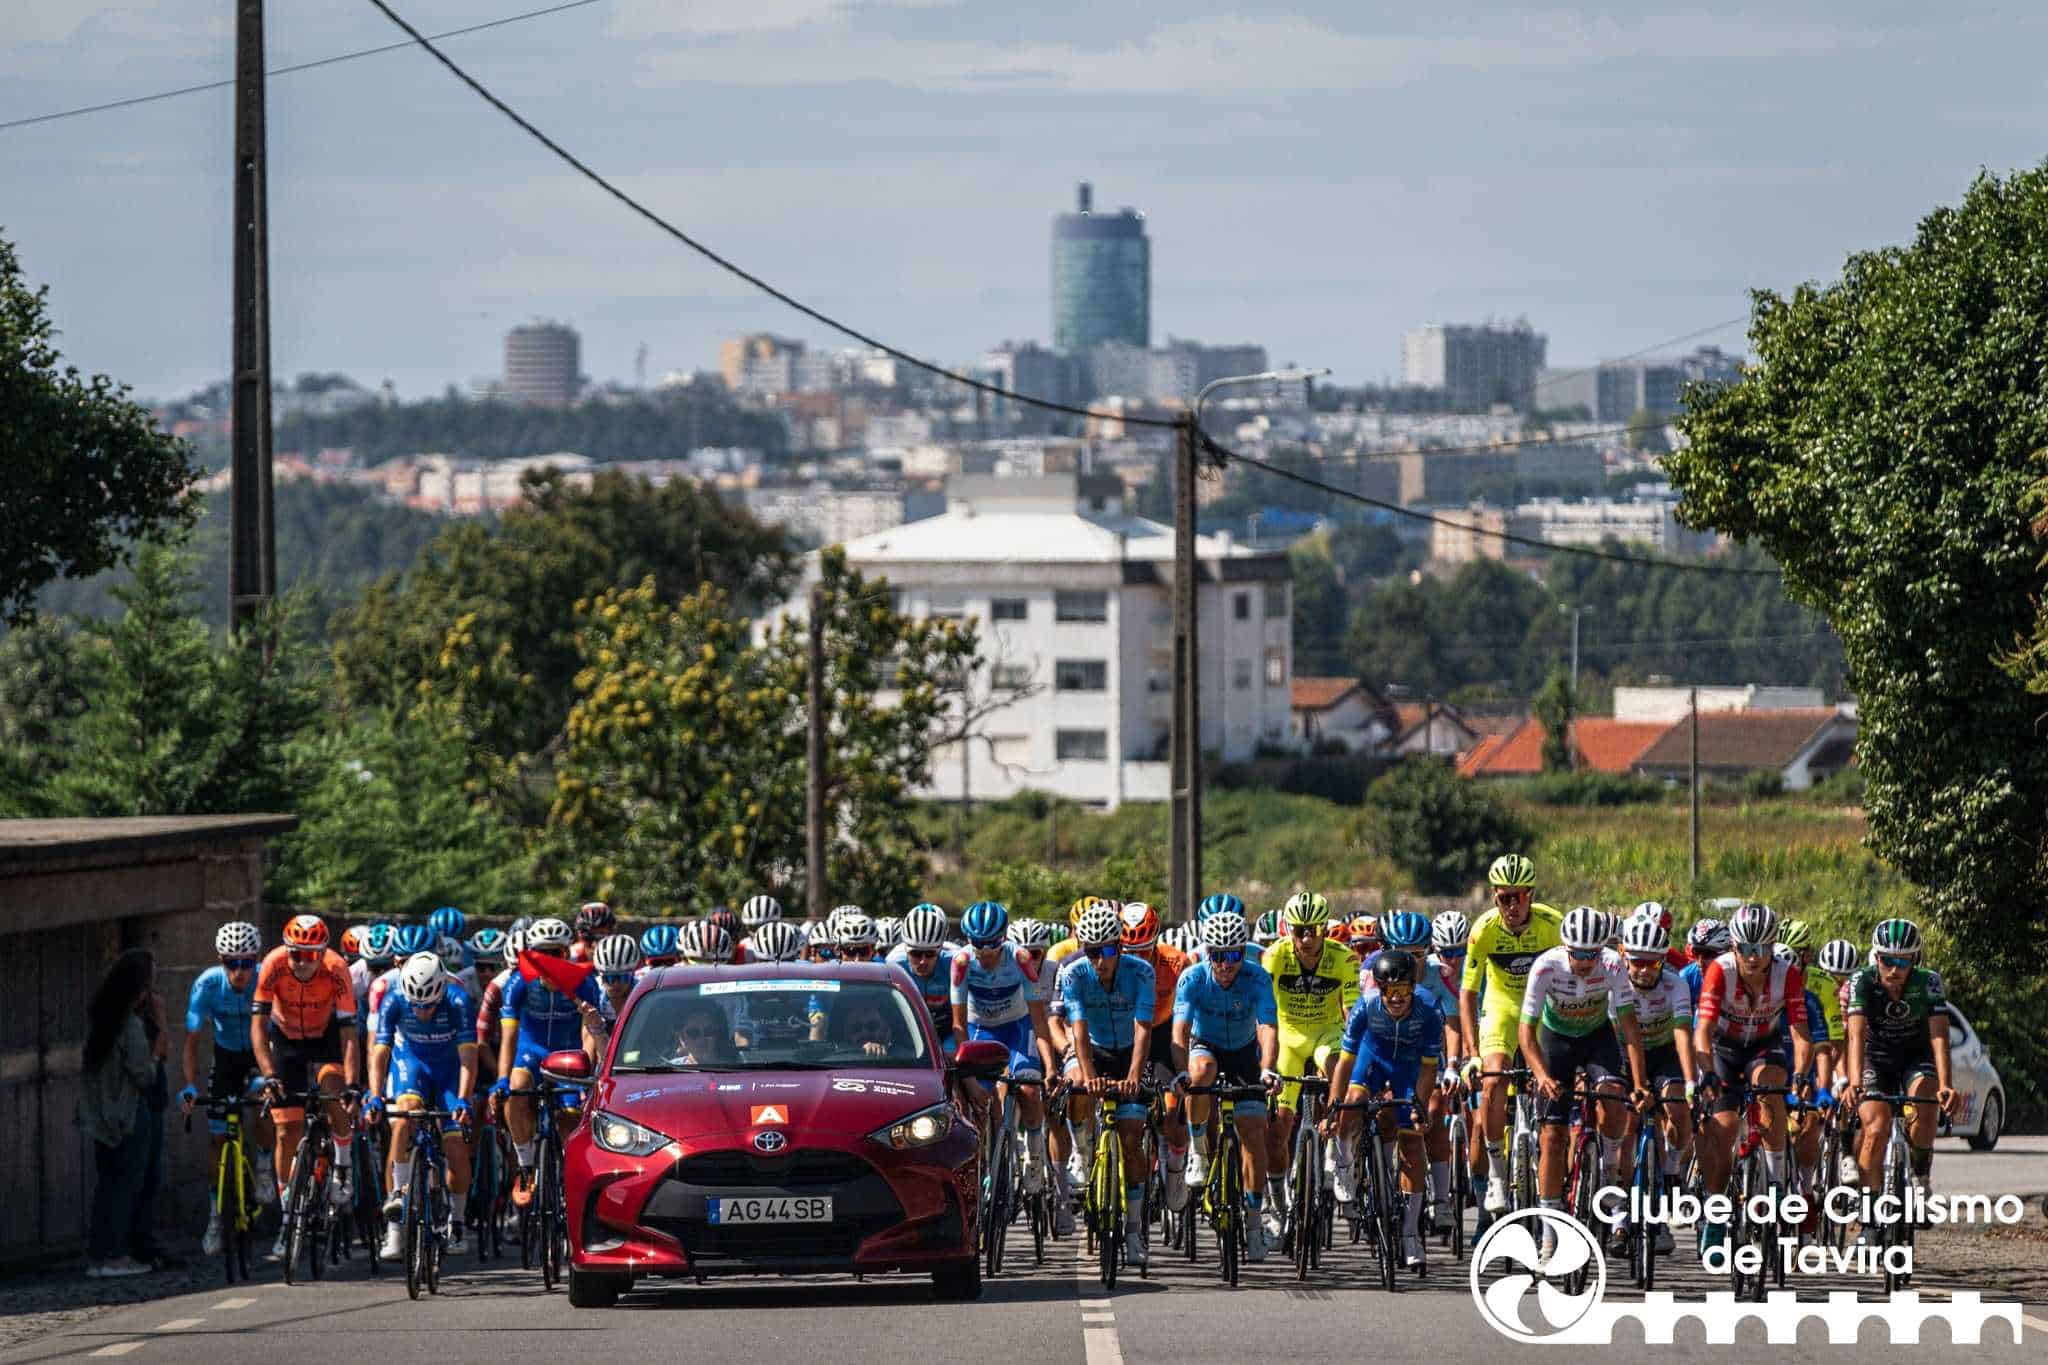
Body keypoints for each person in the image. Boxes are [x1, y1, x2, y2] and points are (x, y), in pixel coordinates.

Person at [1520, 907, 1650, 1261]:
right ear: (1566, 947)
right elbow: (1525, 1033)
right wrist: (1542, 1076)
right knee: (1552, 1136)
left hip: (1597, 1038)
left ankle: (1608, 1171)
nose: (1585, 961)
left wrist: (1638, 1082)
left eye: (1592, 953)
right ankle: (1548, 1230)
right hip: (1555, 1041)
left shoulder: (1611, 965)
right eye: (1578, 953)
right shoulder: (1546, 966)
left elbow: (1630, 1028)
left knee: (1613, 1095)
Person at [1691, 902, 1813, 1255]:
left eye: (1762, 949)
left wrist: (1802, 1074)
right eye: (1746, 948)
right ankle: (1715, 1213)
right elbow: (1703, 1030)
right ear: (1734, 947)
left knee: (1771, 1093)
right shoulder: (1719, 971)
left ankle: (1775, 1183)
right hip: (1725, 1049)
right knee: (1724, 1128)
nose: (1754, 957)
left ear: (1773, 947)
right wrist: (1708, 1072)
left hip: (1764, 1046)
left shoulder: (1786, 974)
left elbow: (1801, 1035)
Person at [1459, 853, 1564, 1232]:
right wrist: (1471, 1054)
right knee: (1492, 1081)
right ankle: (1498, 1175)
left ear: (1530, 895)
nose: (1513, 906)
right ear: (1494, 897)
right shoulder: (1483, 930)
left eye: (1519, 897)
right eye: (1505, 898)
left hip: (1542, 1010)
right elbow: (1468, 994)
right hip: (1502, 1008)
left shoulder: (1554, 925)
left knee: (1553, 1088)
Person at [1173, 910, 1282, 1262]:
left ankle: (1253, 1223)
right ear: (1207, 954)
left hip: (1245, 1055)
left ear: (1243, 952)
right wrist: (1180, 1073)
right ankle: (1199, 1152)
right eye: (1217, 956)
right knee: (1200, 1070)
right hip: (1207, 1047)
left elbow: (1267, 1026)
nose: (1225, 965)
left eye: (1233, 955)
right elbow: (1180, 1030)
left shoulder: (1257, 978)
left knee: (1253, 1134)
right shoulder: (1192, 978)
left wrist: (1267, 1069)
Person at [252, 914, 361, 1260]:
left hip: (326, 1036)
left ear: (322, 953)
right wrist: (269, 1074)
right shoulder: (272, 965)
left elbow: (348, 1035)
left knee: (333, 1092)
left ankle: (343, 1170)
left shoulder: (336, 968)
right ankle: (289, 1218)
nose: (301, 963)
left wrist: (353, 1084)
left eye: (310, 955)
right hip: (286, 1042)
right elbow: (258, 1028)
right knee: (287, 1129)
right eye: (296, 954)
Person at [1841, 919, 1959, 1235]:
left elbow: (1939, 1037)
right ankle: (1868, 1219)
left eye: (1903, 961)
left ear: (1915, 960)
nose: (1894, 969)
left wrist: (1946, 1084)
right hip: (1875, 1058)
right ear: (1876, 958)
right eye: (1887, 960)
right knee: (1875, 1128)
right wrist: (1854, 1082)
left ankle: (1920, 1177)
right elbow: (1854, 1037)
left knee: (1925, 1101)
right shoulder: (1861, 982)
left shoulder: (1929, 982)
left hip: (1915, 1056)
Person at [1328, 949, 1443, 1270]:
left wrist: (1419, 1105)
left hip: (1409, 1067)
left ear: (1412, 987)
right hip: (1372, 1061)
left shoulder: (1429, 1009)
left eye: (1403, 990)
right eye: (1389, 991)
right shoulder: (1365, 1006)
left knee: (1412, 1140)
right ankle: (1345, 1164)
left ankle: (1410, 1236)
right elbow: (1346, 1061)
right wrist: (1332, 1106)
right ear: (1378, 988)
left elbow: (1428, 1069)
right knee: (1350, 1104)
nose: (1396, 998)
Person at [1056, 903, 1158, 1265]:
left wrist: (1134, 1075)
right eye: (1092, 951)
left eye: (1109, 950)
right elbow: (1079, 1032)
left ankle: (1133, 1231)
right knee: (1076, 1085)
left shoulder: (1142, 972)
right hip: (1094, 1050)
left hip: (1130, 1052)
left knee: (1132, 1136)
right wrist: (1089, 1076)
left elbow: (1144, 1029)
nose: (1101, 960)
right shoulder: (1073, 974)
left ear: (1121, 947)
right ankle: (1083, 1151)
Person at [368, 953, 478, 1259]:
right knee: (403, 1120)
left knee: (455, 1147)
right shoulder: (393, 1001)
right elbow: (380, 1054)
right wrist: (375, 1094)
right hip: (411, 1065)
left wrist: (465, 1100)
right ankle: (396, 1217)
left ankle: (457, 1222)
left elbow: (469, 1058)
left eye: (429, 1005)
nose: (423, 1011)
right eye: (417, 1005)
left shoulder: (458, 1001)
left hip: (448, 1071)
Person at [1261, 892, 1357, 1236]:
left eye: (1313, 930)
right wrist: (1265, 1063)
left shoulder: (1344, 958)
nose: (1306, 938)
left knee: (1338, 1067)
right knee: (1277, 1133)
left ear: (1324, 929)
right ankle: (1277, 1206)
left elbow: (1352, 1014)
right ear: (1289, 928)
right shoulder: (1273, 957)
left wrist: (1353, 1059)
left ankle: (1339, 1150)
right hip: (1288, 1036)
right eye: (1299, 930)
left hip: (1327, 1033)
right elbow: (1264, 1016)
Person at [491, 917, 603, 1206]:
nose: (550, 960)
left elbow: (588, 1032)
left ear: (566, 954)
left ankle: (570, 1183)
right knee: (516, 1089)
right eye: (543, 953)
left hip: (566, 1056)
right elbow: (510, 1037)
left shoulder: (583, 983)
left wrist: (585, 1073)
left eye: (557, 953)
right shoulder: (519, 984)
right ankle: (526, 1165)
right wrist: (501, 1080)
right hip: (530, 1051)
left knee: (570, 1118)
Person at [179, 922, 276, 1255]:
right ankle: (215, 1218)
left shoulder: (266, 979)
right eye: (231, 963)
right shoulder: (206, 985)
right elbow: (191, 1041)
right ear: (221, 961)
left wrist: (273, 1073)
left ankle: (264, 1166)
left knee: (265, 1101)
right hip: (226, 1060)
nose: (239, 971)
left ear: (256, 960)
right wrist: (189, 1085)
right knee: (218, 1139)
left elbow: (278, 1031)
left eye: (246, 963)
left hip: (259, 1054)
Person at [949, 900, 1056, 1194]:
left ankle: (1034, 1153)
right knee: (982, 1104)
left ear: (1004, 939)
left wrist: (1051, 1067)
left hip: (1017, 1029)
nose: (983, 952)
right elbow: (959, 1026)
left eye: (991, 944)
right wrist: (969, 1078)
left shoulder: (1021, 958)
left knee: (1030, 1090)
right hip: (979, 1030)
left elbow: (1038, 1018)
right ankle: (983, 1165)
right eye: (977, 944)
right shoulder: (961, 962)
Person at [78, 948, 167, 1279]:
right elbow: (143, 1074)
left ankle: (102, 1255)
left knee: (108, 1186)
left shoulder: (102, 1019)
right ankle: (115, 1255)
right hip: (129, 1115)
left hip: (103, 1115)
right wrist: (156, 1053)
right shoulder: (129, 1025)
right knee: (125, 1185)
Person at [1616, 914, 1695, 1254]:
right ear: (1624, 956)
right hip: (1622, 1050)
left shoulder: (1676, 984)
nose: (1645, 969)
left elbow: (1681, 1033)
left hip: (1663, 1050)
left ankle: (1671, 1171)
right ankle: (1619, 1212)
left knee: (1677, 1107)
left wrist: (1691, 1081)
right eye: (1638, 961)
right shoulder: (1614, 982)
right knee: (1626, 1123)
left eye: (1654, 962)